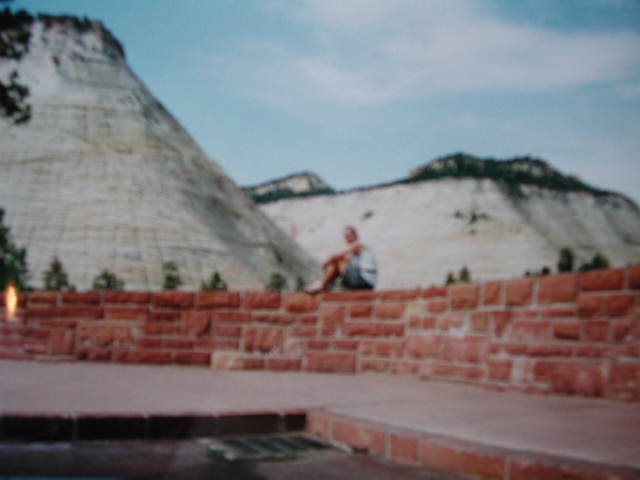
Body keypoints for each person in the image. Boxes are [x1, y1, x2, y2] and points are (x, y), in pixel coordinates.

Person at [307, 226, 377, 293]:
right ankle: (325, 285)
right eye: (345, 236)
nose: (347, 237)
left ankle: (322, 286)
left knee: (338, 262)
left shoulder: (359, 245)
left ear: (356, 235)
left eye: (349, 235)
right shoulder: (354, 253)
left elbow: (334, 257)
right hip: (366, 283)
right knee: (339, 262)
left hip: (364, 281)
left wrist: (326, 264)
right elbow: (342, 259)